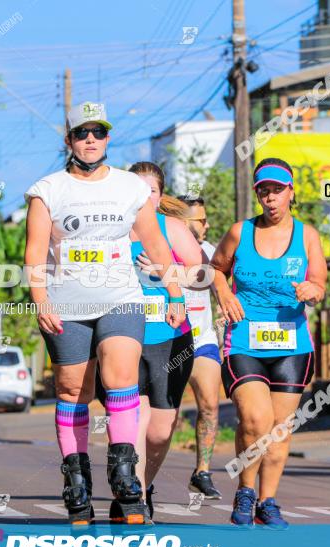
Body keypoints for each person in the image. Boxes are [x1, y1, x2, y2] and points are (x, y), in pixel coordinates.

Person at [24, 103, 186, 525]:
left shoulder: (130, 187)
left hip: (121, 297)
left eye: (98, 132)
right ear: (69, 140)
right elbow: (35, 251)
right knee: (72, 390)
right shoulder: (48, 189)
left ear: (108, 138)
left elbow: (154, 242)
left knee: (120, 380)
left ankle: (125, 477)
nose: (91, 139)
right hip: (68, 303)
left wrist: (173, 291)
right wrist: (40, 298)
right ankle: (76, 482)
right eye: (82, 133)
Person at [211, 158, 327, 530]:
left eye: (278, 189)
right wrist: (225, 294)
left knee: (280, 427)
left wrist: (312, 290)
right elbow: (215, 269)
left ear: (291, 192)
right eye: (264, 190)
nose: (271, 197)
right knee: (255, 419)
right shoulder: (239, 232)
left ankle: (268, 500)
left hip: (292, 345)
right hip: (245, 339)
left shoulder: (307, 235)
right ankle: (245, 491)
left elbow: (320, 282)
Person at [96, 163, 206, 521]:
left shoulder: (171, 228)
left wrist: (166, 273)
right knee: (134, 418)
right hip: (123, 336)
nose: (144, 196)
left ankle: (143, 486)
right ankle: (133, 496)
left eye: (152, 191)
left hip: (171, 338)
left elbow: (203, 274)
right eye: (137, 189)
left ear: (160, 196)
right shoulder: (110, 229)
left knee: (160, 431)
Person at [175, 192, 223, 499]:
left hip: (203, 339)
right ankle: (145, 480)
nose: (205, 225)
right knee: (164, 415)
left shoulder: (211, 251)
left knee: (210, 404)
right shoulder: (160, 247)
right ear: (181, 222)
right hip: (167, 339)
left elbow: (223, 285)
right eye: (200, 220)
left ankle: (202, 471)